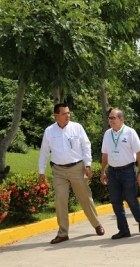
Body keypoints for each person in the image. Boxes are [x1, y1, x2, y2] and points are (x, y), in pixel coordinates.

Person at [38, 103, 104, 244]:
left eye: (68, 113)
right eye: (64, 113)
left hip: (77, 168)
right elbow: (44, 152)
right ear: (56, 116)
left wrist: (88, 164)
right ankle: (63, 233)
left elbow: (86, 146)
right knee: (60, 200)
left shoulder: (77, 127)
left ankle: (97, 224)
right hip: (59, 171)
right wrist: (41, 171)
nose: (68, 115)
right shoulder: (49, 131)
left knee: (85, 198)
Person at [100, 109, 140, 239]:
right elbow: (105, 154)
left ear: (121, 119)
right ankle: (124, 230)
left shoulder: (130, 132)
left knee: (131, 199)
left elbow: (139, 153)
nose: (111, 120)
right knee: (116, 202)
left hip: (128, 170)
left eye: (113, 118)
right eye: (109, 118)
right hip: (113, 171)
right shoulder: (107, 134)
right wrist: (103, 170)